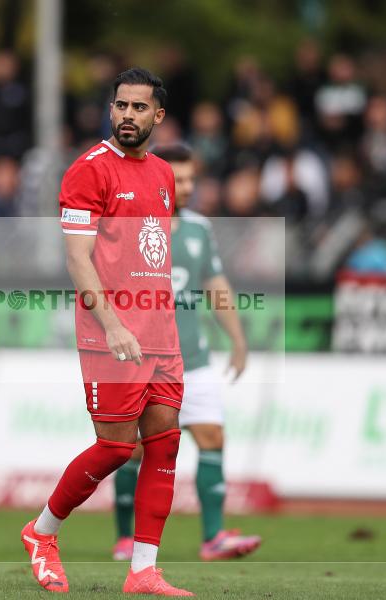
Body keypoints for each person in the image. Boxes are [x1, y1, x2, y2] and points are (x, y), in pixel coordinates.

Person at [20, 68, 193, 596]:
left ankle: (144, 570)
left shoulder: (164, 174)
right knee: (117, 449)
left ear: (157, 116)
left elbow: (150, 256)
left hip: (160, 333)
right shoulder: (88, 171)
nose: (126, 116)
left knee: (164, 445)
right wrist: (114, 324)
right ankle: (41, 533)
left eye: (139, 108)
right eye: (120, 106)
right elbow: (78, 259)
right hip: (109, 334)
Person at [110, 142, 260, 563]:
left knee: (212, 436)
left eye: (192, 178)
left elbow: (215, 284)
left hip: (192, 358)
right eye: (178, 180)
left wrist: (237, 338)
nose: (187, 186)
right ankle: (126, 537)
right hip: (143, 360)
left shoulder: (199, 228)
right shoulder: (130, 225)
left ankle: (213, 537)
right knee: (134, 448)